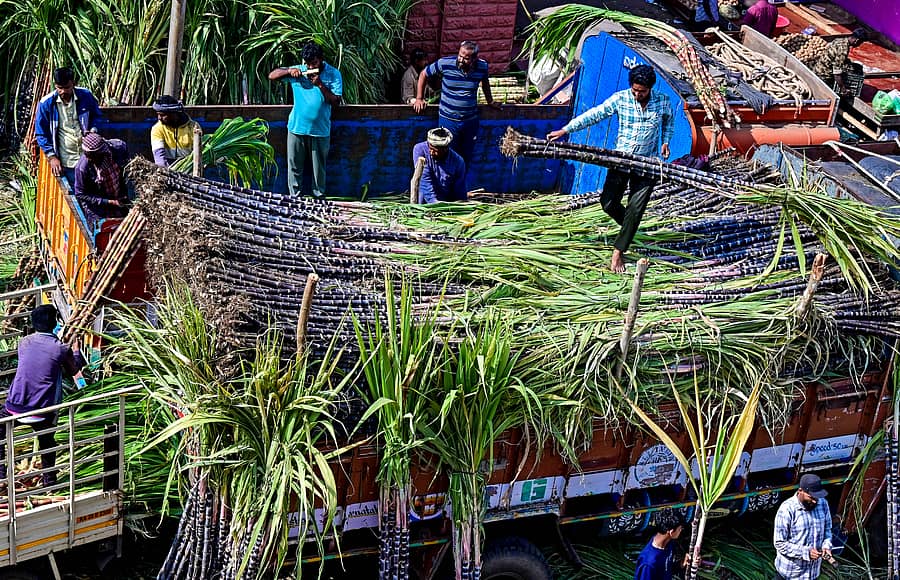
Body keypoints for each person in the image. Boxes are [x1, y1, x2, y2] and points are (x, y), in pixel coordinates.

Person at [547, 64, 674, 273]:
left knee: (636, 207)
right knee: (608, 202)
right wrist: (565, 130)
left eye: (641, 92)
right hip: (621, 159)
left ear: (650, 88)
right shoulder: (621, 98)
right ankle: (630, 229)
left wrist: (666, 141)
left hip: (647, 163)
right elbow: (595, 114)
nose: (637, 94)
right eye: (635, 90)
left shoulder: (662, 101)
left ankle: (618, 251)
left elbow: (668, 121)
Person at [0, 305, 86, 489]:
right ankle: (50, 481)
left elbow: (37, 359)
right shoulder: (61, 349)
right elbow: (74, 369)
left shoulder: (24, 343)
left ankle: (0, 476)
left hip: (14, 407)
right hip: (42, 411)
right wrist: (76, 350)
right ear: (55, 322)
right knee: (47, 442)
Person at [269, 42, 343, 198]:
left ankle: (319, 199)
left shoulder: (333, 74)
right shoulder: (300, 71)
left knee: (318, 170)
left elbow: (336, 101)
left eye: (314, 63)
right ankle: (294, 199)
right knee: (294, 167)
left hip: (320, 131)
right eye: (308, 64)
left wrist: (320, 84)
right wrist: (289, 70)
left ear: (321, 59)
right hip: (297, 128)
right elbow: (272, 75)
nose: (310, 67)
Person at [412, 40, 502, 167]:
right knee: (446, 154)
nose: (461, 60)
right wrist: (419, 98)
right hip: (448, 120)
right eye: (460, 56)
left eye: (466, 58)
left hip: (470, 121)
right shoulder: (445, 63)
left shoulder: (482, 67)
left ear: (474, 59)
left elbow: (485, 83)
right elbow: (424, 74)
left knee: (465, 156)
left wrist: (490, 101)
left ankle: (459, 184)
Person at [34, 67, 103, 186]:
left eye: (67, 87)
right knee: (76, 193)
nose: (63, 91)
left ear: (73, 84)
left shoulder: (86, 96)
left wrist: (93, 130)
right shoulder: (46, 104)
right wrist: (52, 157)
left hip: (88, 156)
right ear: (55, 85)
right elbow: (41, 134)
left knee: (92, 190)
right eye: (59, 88)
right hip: (67, 161)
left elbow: (97, 116)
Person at [773, 473, 834, 580]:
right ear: (800, 491)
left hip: (812, 574)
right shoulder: (787, 509)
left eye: (817, 497)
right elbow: (779, 543)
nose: (815, 501)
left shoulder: (823, 504)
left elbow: (827, 530)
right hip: (790, 575)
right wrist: (806, 552)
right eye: (811, 497)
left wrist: (826, 546)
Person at [73, 132, 129, 230]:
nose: (89, 159)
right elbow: (80, 194)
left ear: (101, 152)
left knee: (126, 225)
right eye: (86, 155)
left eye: (91, 155)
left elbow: (126, 168)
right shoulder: (82, 168)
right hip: (97, 205)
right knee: (102, 231)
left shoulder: (118, 148)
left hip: (118, 194)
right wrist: (109, 202)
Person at [412, 128, 467, 204]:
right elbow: (424, 180)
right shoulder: (420, 150)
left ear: (445, 149)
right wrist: (434, 203)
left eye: (435, 151)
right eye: (430, 148)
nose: (431, 152)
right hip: (424, 204)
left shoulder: (458, 162)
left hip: (445, 205)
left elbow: (459, 189)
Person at [150, 95, 201, 168]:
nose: (159, 118)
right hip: (168, 170)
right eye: (158, 114)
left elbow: (198, 154)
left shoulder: (193, 127)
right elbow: (159, 157)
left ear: (174, 113)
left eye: (162, 115)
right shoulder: (157, 129)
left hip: (189, 169)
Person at [812, 29, 867, 96]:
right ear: (857, 40)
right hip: (823, 76)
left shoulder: (839, 40)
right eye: (860, 43)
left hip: (817, 68)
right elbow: (837, 74)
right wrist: (843, 90)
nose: (859, 45)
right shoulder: (843, 50)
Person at [634, 511, 684, 580]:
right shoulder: (649, 564)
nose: (681, 530)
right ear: (671, 532)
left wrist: (681, 564)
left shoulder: (668, 543)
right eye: (680, 529)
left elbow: (666, 569)